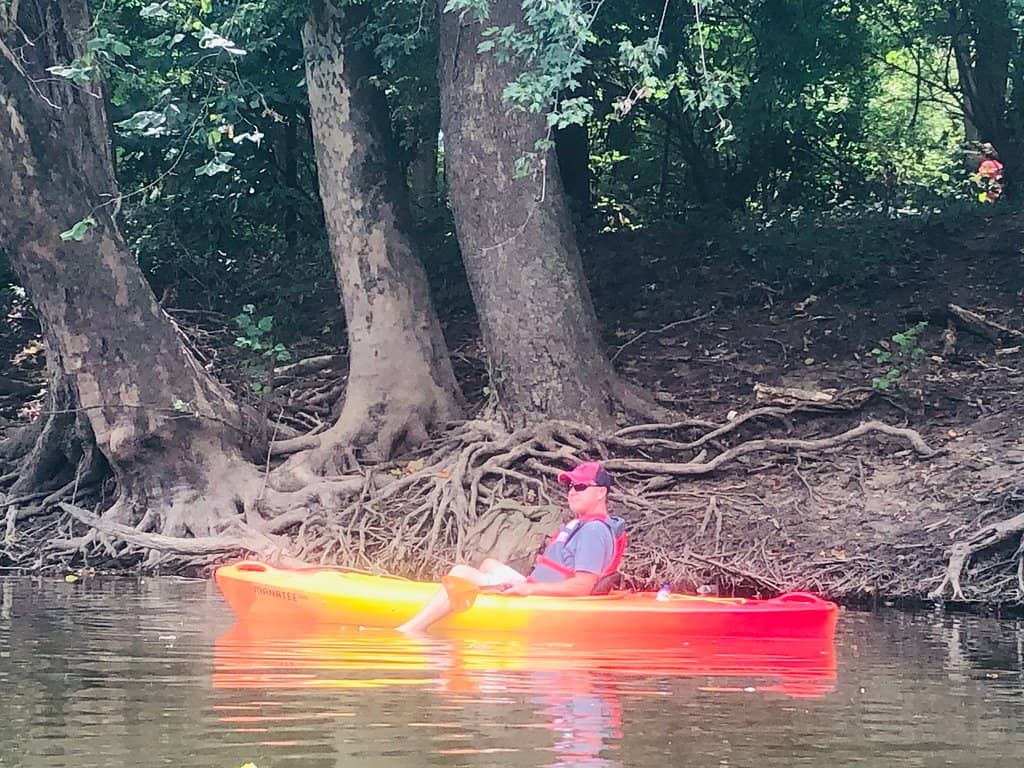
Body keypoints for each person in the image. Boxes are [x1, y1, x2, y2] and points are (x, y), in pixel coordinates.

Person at [397, 461, 623, 633]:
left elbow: (582, 587)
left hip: (545, 601)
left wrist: (528, 589)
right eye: (571, 486)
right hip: (537, 590)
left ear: (601, 492)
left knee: (460, 573)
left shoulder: (593, 531)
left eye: (581, 486)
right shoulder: (581, 524)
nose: (572, 491)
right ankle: (449, 600)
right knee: (488, 564)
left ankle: (411, 630)